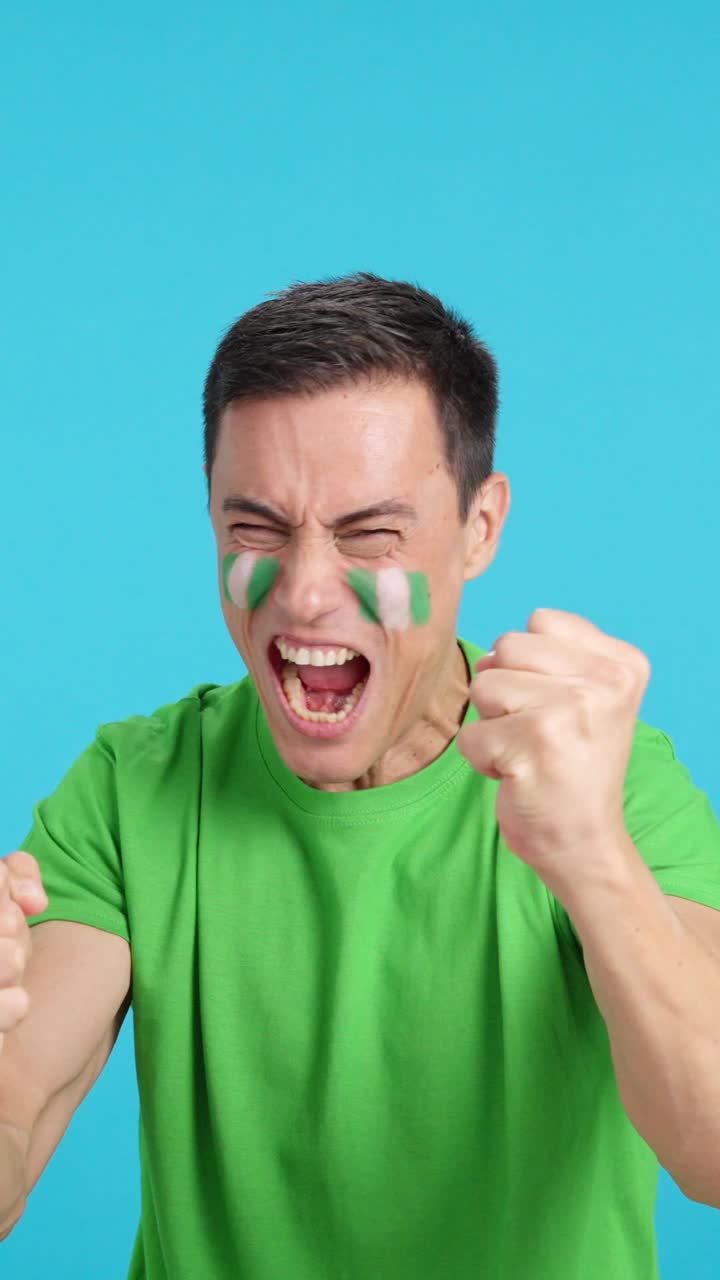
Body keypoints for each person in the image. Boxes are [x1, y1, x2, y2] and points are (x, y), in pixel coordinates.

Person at [1, 273, 720, 1280]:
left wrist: (591, 853)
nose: (301, 592)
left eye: (369, 535)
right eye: (255, 527)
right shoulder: (134, 788)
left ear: (479, 526)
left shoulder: (605, 779)